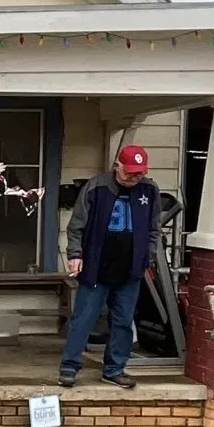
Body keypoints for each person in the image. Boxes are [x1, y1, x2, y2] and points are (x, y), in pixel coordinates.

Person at [58, 143, 159, 389]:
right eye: (130, 172)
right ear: (117, 166)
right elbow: (76, 226)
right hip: (96, 267)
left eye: (140, 173)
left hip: (131, 269)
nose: (135, 177)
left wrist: (149, 256)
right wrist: (75, 254)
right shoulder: (96, 187)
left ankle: (114, 369)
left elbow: (154, 229)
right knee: (83, 319)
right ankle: (69, 367)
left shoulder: (150, 190)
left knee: (123, 321)